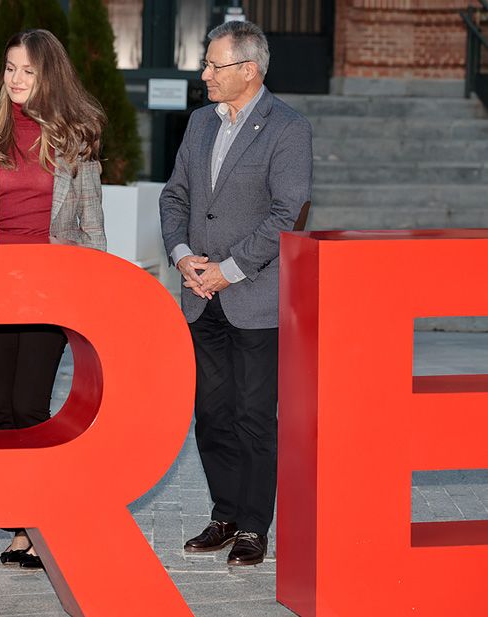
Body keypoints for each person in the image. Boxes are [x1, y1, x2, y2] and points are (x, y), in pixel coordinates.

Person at [159, 20, 312, 566]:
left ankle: (253, 525)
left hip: (254, 298)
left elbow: (285, 213)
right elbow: (174, 196)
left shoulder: (287, 128)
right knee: (212, 414)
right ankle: (224, 515)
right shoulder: (199, 123)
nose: (203, 74)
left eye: (213, 65)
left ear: (248, 70)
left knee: (252, 416)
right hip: (201, 295)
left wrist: (229, 268)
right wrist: (182, 257)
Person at [0, 29, 106, 570]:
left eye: (28, 72)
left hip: (51, 293)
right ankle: (19, 524)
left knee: (32, 408)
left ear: (50, 76)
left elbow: (91, 227)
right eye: (10, 69)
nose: (16, 81)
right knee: (1, 410)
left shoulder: (78, 137)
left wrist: (85, 305)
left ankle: (40, 523)